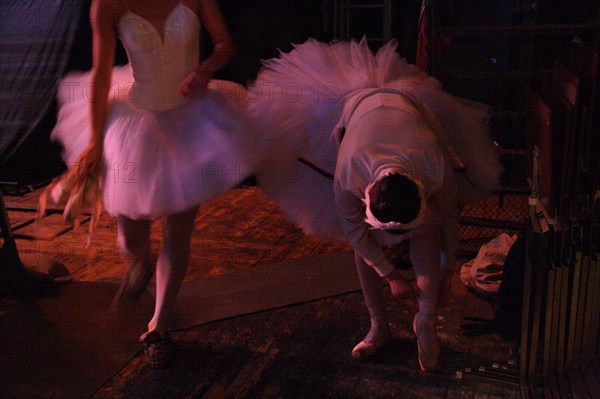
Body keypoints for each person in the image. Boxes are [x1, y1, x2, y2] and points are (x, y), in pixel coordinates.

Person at [250, 38, 502, 372]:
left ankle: (425, 323)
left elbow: (448, 224)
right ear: (367, 195)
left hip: (408, 111)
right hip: (354, 111)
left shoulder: (435, 167)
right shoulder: (348, 172)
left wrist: (446, 268)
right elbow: (356, 232)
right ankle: (377, 325)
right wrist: (391, 276)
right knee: (365, 247)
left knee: (428, 235)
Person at [48, 0, 258, 368]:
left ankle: (158, 326)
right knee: (132, 240)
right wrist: (95, 141)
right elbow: (100, 74)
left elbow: (224, 44)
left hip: (191, 119)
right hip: (135, 119)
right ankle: (138, 262)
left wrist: (206, 69)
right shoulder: (107, 5)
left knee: (179, 231)